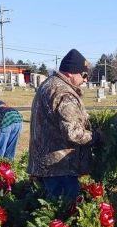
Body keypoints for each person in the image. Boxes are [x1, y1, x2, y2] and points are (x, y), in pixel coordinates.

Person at [27, 48, 99, 200]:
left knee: (53, 214)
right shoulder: (64, 94)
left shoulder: (48, 84)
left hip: (46, 164)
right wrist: (96, 136)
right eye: (84, 75)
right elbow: (73, 133)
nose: (86, 79)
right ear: (70, 73)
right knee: (65, 214)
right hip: (60, 167)